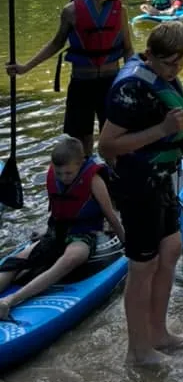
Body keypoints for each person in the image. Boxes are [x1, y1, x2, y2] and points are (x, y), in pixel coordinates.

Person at [98, 21, 183, 366]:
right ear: (150, 54)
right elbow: (106, 145)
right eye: (170, 63)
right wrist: (163, 128)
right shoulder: (130, 87)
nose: (176, 70)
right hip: (137, 186)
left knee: (171, 249)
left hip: (162, 180)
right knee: (143, 265)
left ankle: (158, 333)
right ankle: (137, 350)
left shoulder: (162, 78)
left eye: (181, 63)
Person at [5, 0, 132, 156]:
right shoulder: (71, 11)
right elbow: (55, 44)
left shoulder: (120, 11)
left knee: (112, 141)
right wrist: (25, 68)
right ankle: (86, 177)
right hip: (82, 85)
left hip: (110, 83)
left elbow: (128, 50)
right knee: (82, 142)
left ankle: (112, 179)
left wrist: (132, 82)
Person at [0, 135, 124, 320]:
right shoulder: (55, 175)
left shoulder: (94, 180)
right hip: (56, 231)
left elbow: (110, 215)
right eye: (59, 174)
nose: (63, 178)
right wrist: (45, 232)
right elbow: (57, 211)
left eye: (68, 174)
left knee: (73, 257)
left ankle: (11, 300)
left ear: (81, 163)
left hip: (83, 234)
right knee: (19, 259)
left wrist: (127, 243)